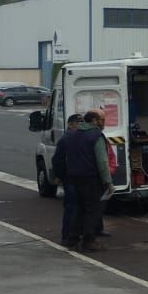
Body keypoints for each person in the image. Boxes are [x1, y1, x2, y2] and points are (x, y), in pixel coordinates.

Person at [62, 107, 112, 251]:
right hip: (91, 177)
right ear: (94, 120)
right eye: (102, 120)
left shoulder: (72, 134)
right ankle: (89, 241)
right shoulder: (96, 135)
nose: (104, 123)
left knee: (79, 208)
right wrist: (108, 182)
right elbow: (102, 161)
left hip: (74, 177)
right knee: (93, 210)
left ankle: (72, 239)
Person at [53, 113, 82, 245]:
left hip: (74, 176)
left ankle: (72, 234)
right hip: (70, 177)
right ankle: (67, 236)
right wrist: (59, 176)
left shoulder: (75, 137)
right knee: (71, 206)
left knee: (75, 206)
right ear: (70, 124)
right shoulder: (66, 139)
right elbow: (58, 159)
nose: (80, 125)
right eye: (78, 122)